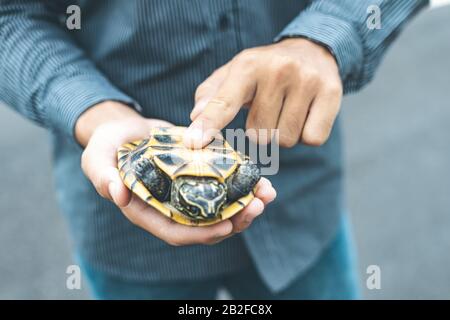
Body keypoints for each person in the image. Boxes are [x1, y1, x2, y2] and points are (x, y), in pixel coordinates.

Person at [0, 0, 427, 299]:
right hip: (127, 242)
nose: (202, 205)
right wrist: (99, 115)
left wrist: (327, 35)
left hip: (301, 206)